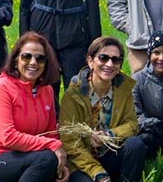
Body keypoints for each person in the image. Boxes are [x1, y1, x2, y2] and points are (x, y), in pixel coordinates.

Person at [0, 32, 70, 182]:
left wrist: (60, 163)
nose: (33, 62)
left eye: (40, 58)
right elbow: (8, 137)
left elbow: (50, 133)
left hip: (28, 156)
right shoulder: (2, 87)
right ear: (16, 59)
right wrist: (53, 146)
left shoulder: (47, 90)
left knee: (51, 161)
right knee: (46, 159)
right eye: (26, 56)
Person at [61, 37, 147, 182]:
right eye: (103, 58)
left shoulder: (123, 90)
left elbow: (132, 124)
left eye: (116, 60)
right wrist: (97, 172)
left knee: (135, 144)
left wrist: (109, 135)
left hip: (110, 153)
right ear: (90, 61)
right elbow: (70, 142)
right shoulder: (73, 94)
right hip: (82, 161)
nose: (109, 64)